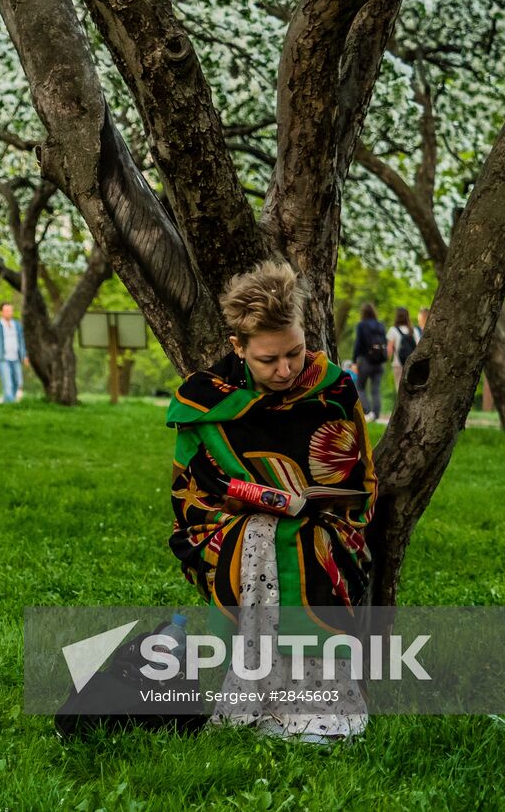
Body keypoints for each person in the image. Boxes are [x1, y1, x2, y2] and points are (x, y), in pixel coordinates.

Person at [166, 259, 375, 743]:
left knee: (295, 541)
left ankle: (320, 707)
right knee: (262, 535)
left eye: (295, 353)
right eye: (268, 360)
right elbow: (192, 496)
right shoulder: (206, 401)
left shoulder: (335, 391)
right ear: (238, 347)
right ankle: (257, 698)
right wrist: (252, 503)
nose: (285, 370)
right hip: (229, 532)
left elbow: (358, 484)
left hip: (328, 529)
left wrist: (304, 505)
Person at [350, 303, 386, 422]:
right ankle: (376, 414)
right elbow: (384, 342)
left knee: (360, 387)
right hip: (379, 362)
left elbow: (358, 344)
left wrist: (354, 361)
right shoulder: (380, 325)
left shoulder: (362, 325)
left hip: (366, 361)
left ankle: (367, 411)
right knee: (375, 389)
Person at [0, 302, 29, 404]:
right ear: (1, 312)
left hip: (16, 357)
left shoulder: (17, 325)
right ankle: (10, 403)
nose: (9, 313)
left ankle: (8, 402)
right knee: (7, 382)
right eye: (7, 310)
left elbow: (22, 341)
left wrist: (24, 355)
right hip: (3, 358)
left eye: (11, 310)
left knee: (18, 382)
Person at [386, 307, 420, 394]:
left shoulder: (393, 330)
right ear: (407, 317)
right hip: (412, 364)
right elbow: (418, 347)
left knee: (399, 389)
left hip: (398, 364)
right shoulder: (414, 331)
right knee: (411, 389)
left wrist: (386, 359)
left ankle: (401, 407)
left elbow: (389, 350)